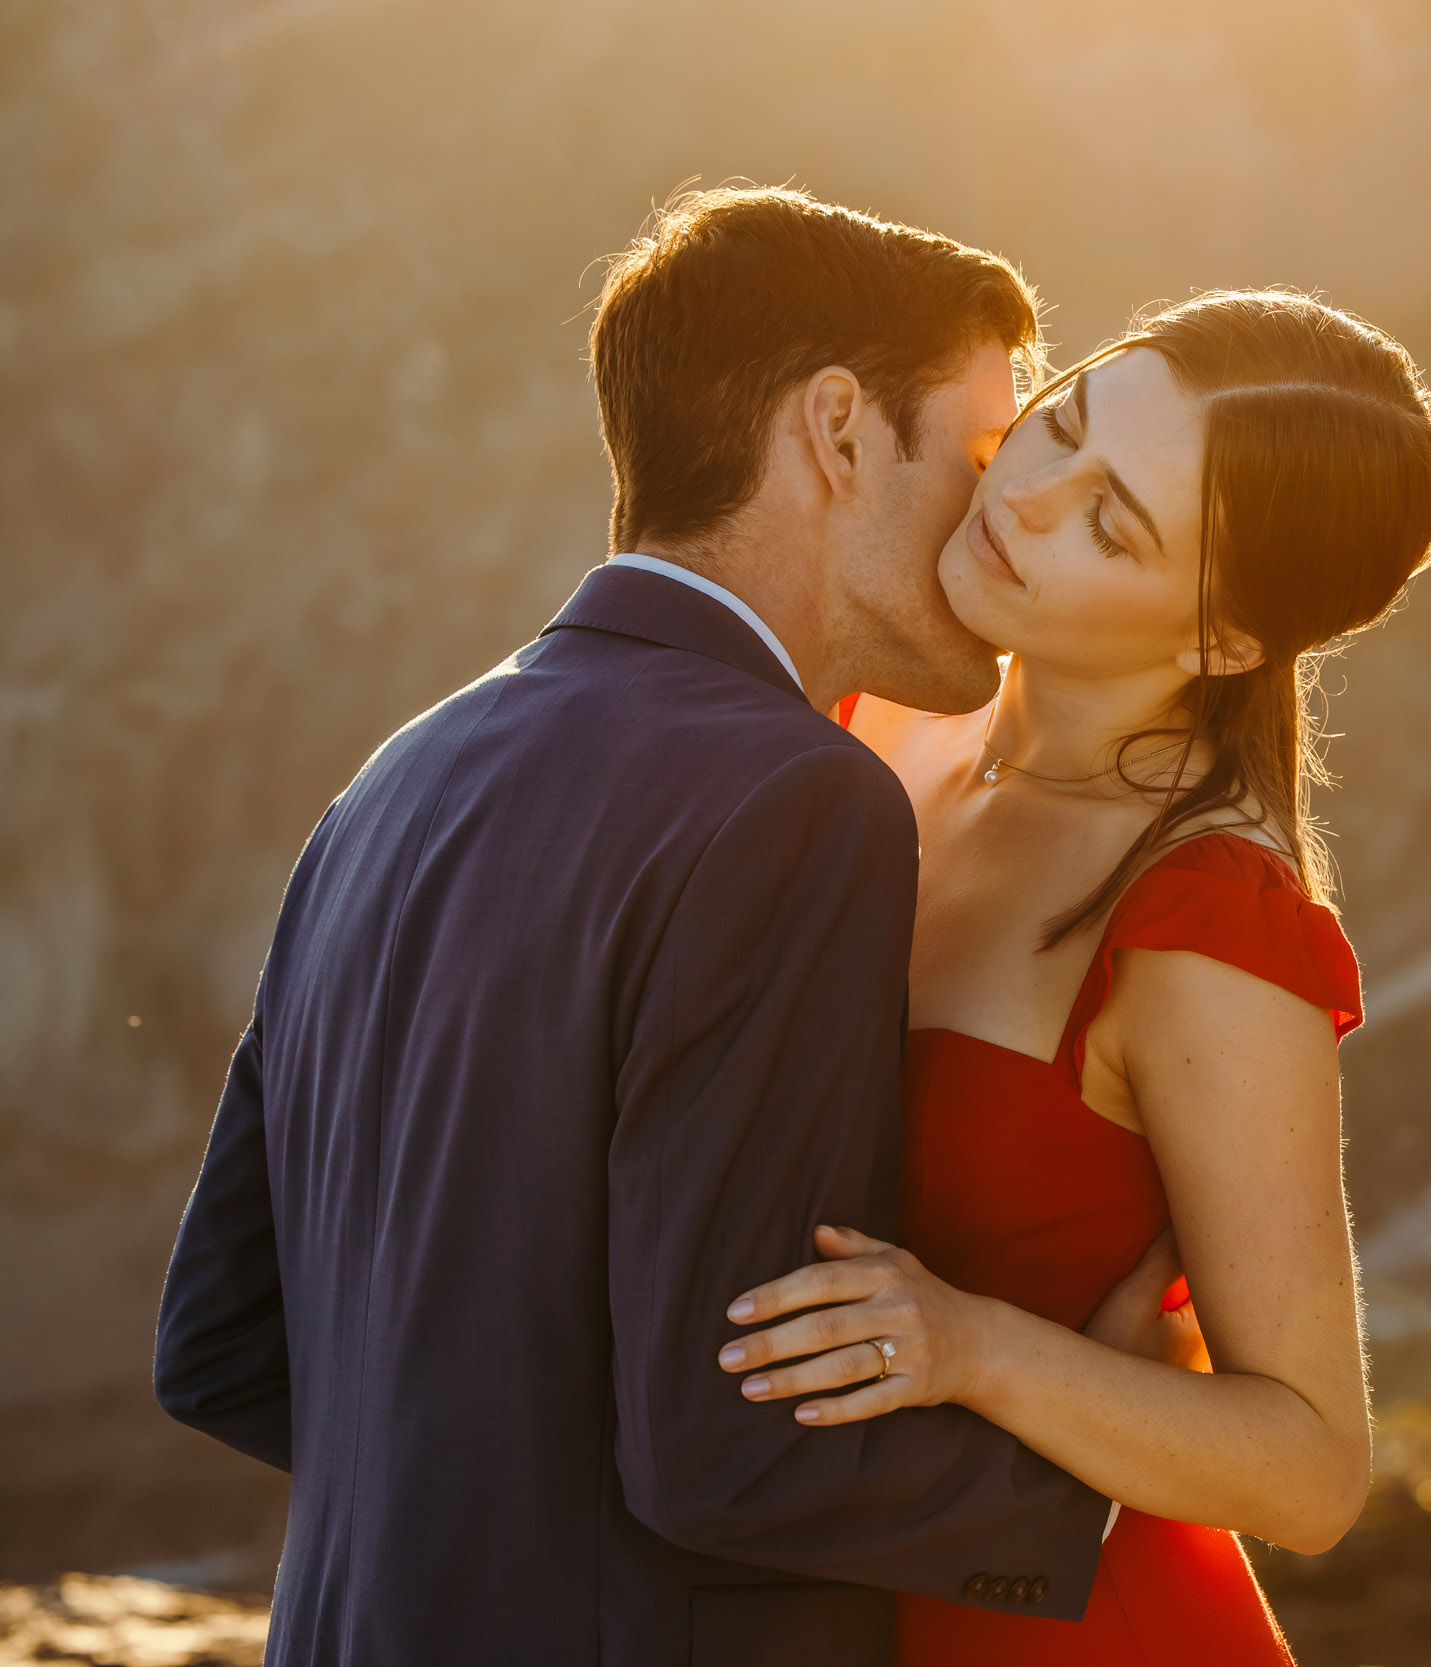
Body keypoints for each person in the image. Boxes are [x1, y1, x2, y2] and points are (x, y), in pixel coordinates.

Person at [150, 186, 1156, 1667]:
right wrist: (1100, 1462)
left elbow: (221, 1349)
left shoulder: (394, 783)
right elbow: (728, 1450)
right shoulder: (799, 797)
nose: (1002, 525)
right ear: (835, 431)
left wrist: (489, 1519)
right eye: (985, 456)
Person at [710, 288, 1431, 1664]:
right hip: (778, 1601)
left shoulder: (1202, 921)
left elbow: (1309, 1471)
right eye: (1061, 425)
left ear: (1221, 641)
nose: (1032, 502)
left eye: (1115, 522)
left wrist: (971, 1348)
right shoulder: (873, 716)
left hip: (1066, 1630)